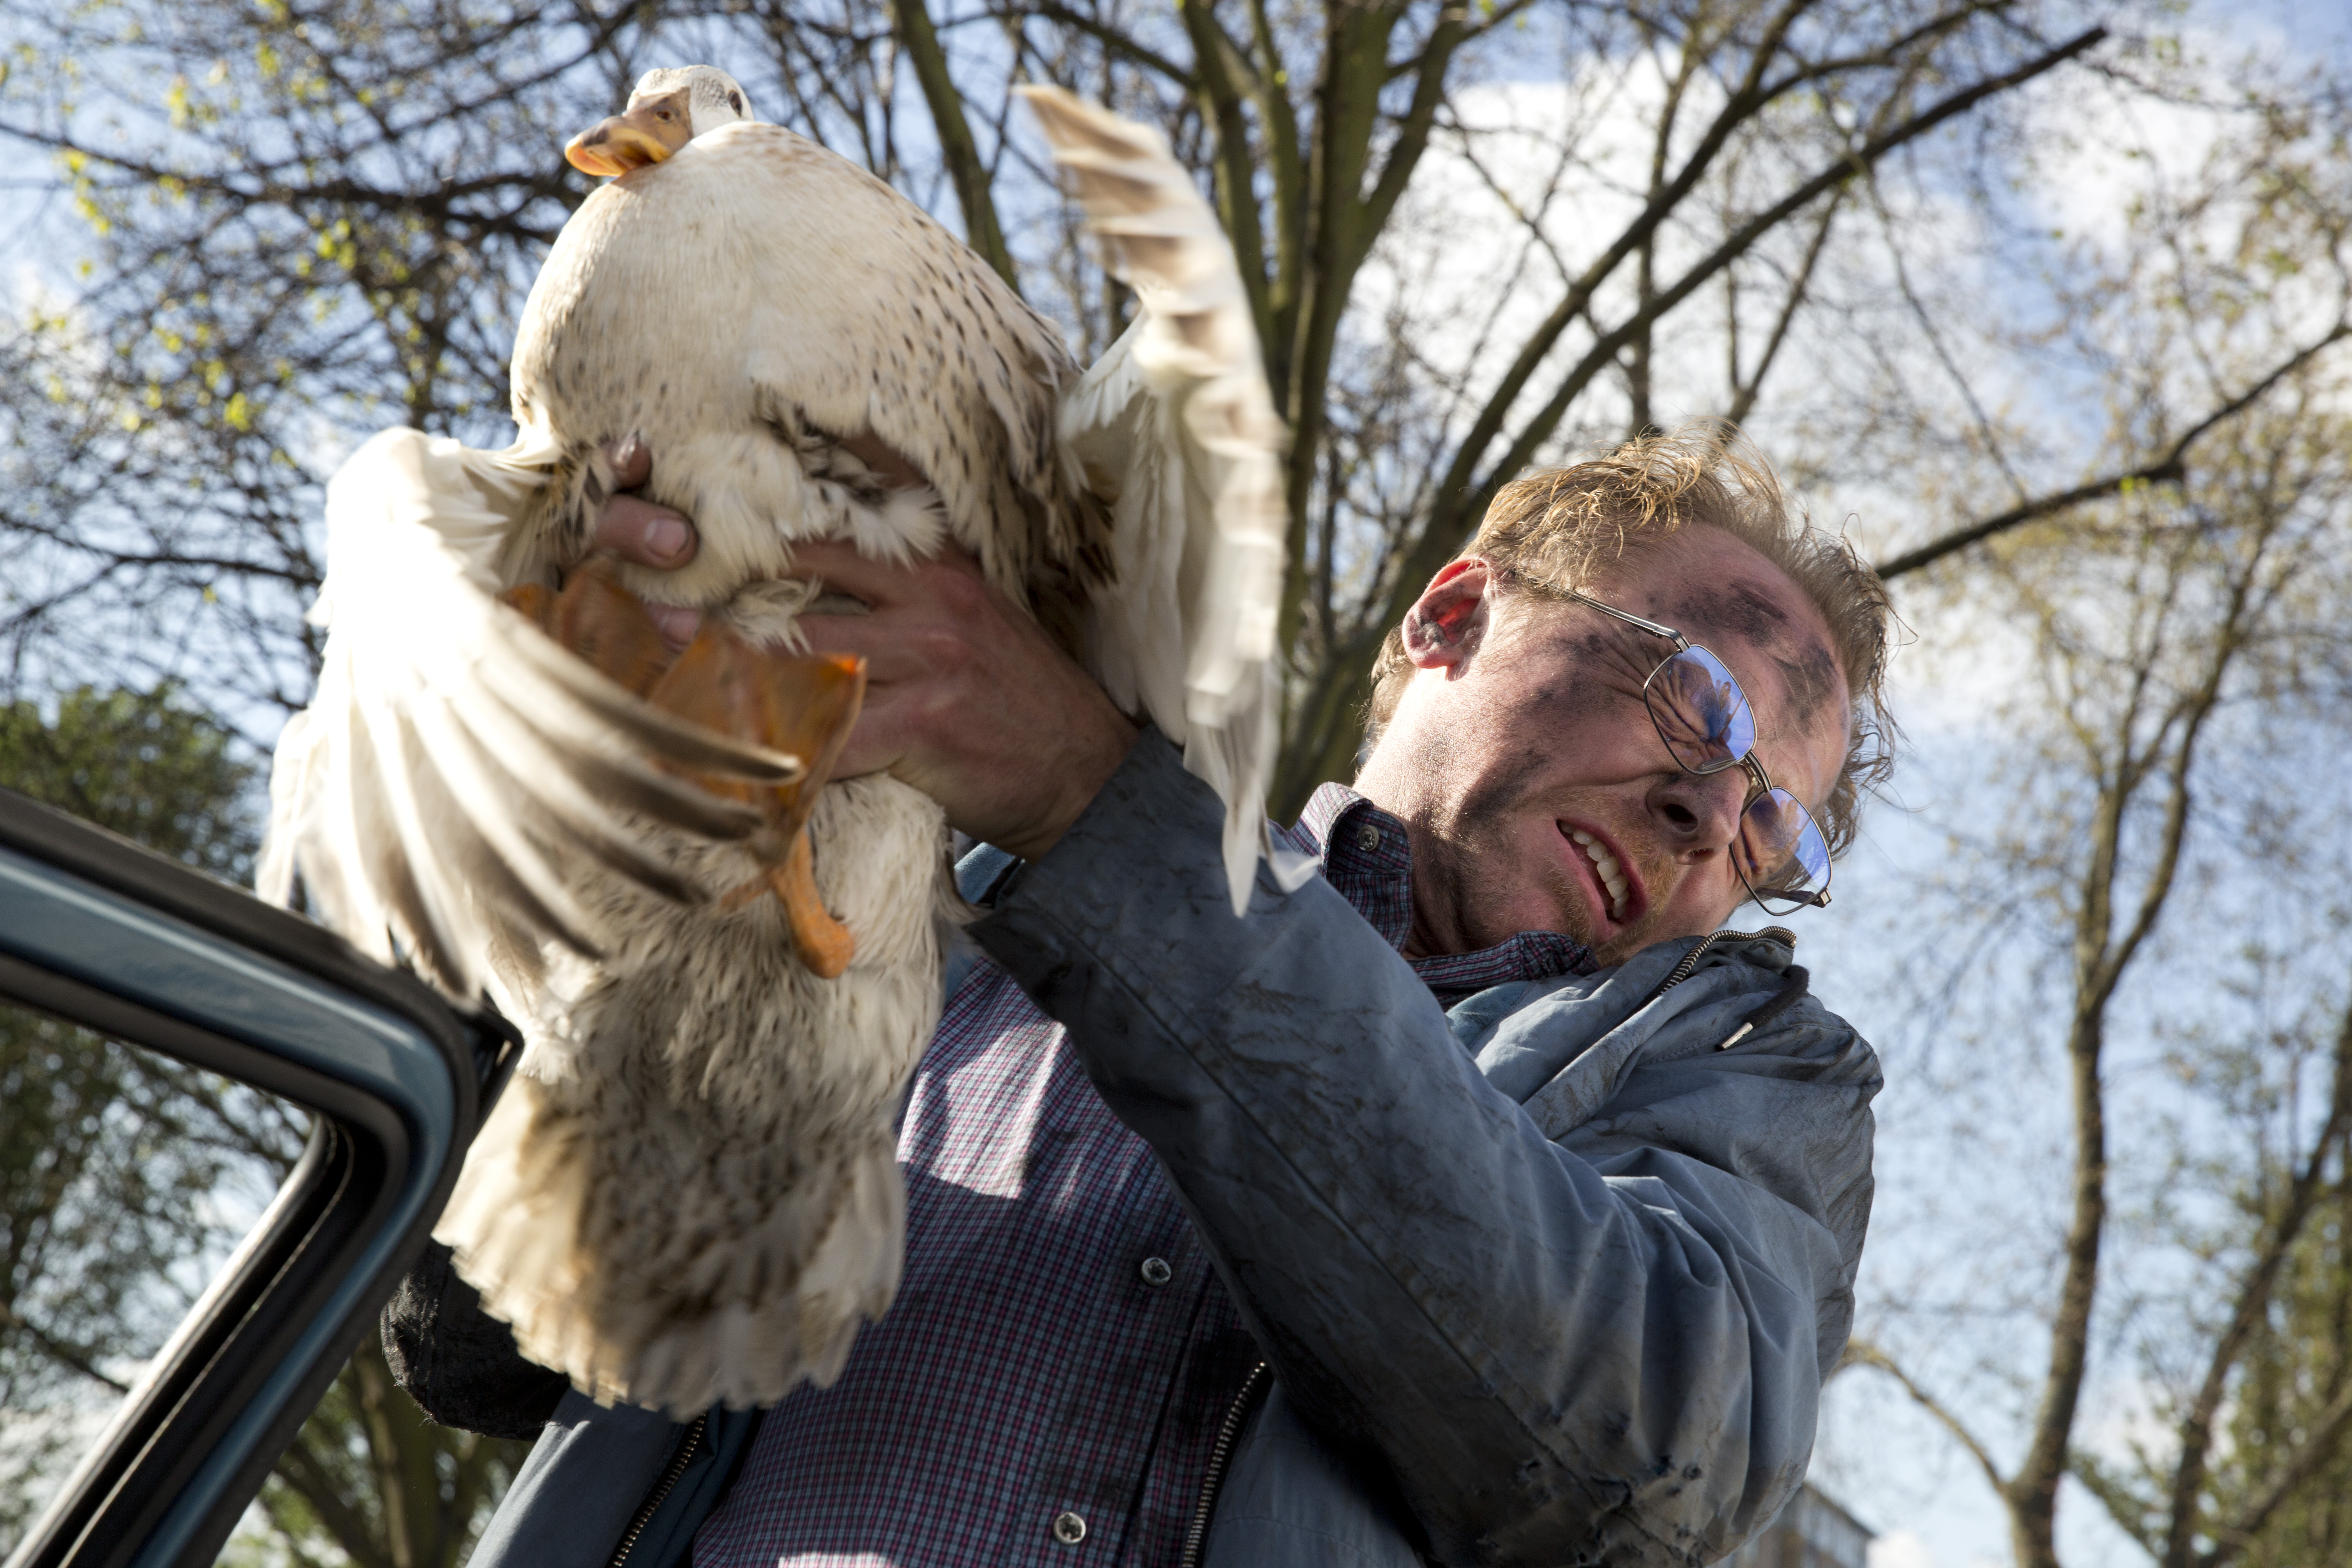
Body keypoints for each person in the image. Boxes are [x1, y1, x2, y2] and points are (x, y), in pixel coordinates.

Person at [387, 425, 1892, 1568]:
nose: (1710, 812)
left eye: (1778, 824)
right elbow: (474, 1333)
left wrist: (1090, 804)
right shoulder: (918, 872)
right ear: (1450, 618)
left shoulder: (1762, 1077)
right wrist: (595, 853)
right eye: (1691, 691)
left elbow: (1639, 1465)